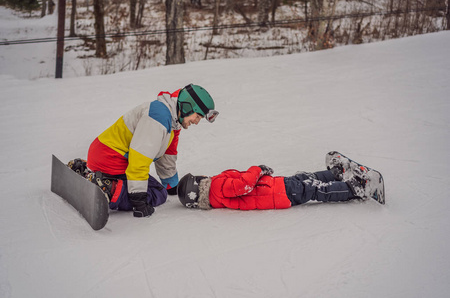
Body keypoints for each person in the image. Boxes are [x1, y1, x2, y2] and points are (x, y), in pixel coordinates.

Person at [69, 84, 219, 218]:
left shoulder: (172, 123)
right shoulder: (158, 118)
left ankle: (86, 172)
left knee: (159, 189)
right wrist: (138, 198)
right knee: (155, 194)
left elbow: (167, 156)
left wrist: (171, 185)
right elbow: (139, 156)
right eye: (197, 116)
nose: (197, 122)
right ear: (188, 107)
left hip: (105, 154)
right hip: (112, 158)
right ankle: (107, 188)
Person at [177, 152, 385, 210]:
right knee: (312, 189)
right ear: (199, 182)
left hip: (275, 189)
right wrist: (258, 169)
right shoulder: (217, 187)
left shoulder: (215, 198)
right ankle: (355, 189)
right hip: (277, 193)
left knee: (305, 180)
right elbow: (244, 185)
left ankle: (335, 174)